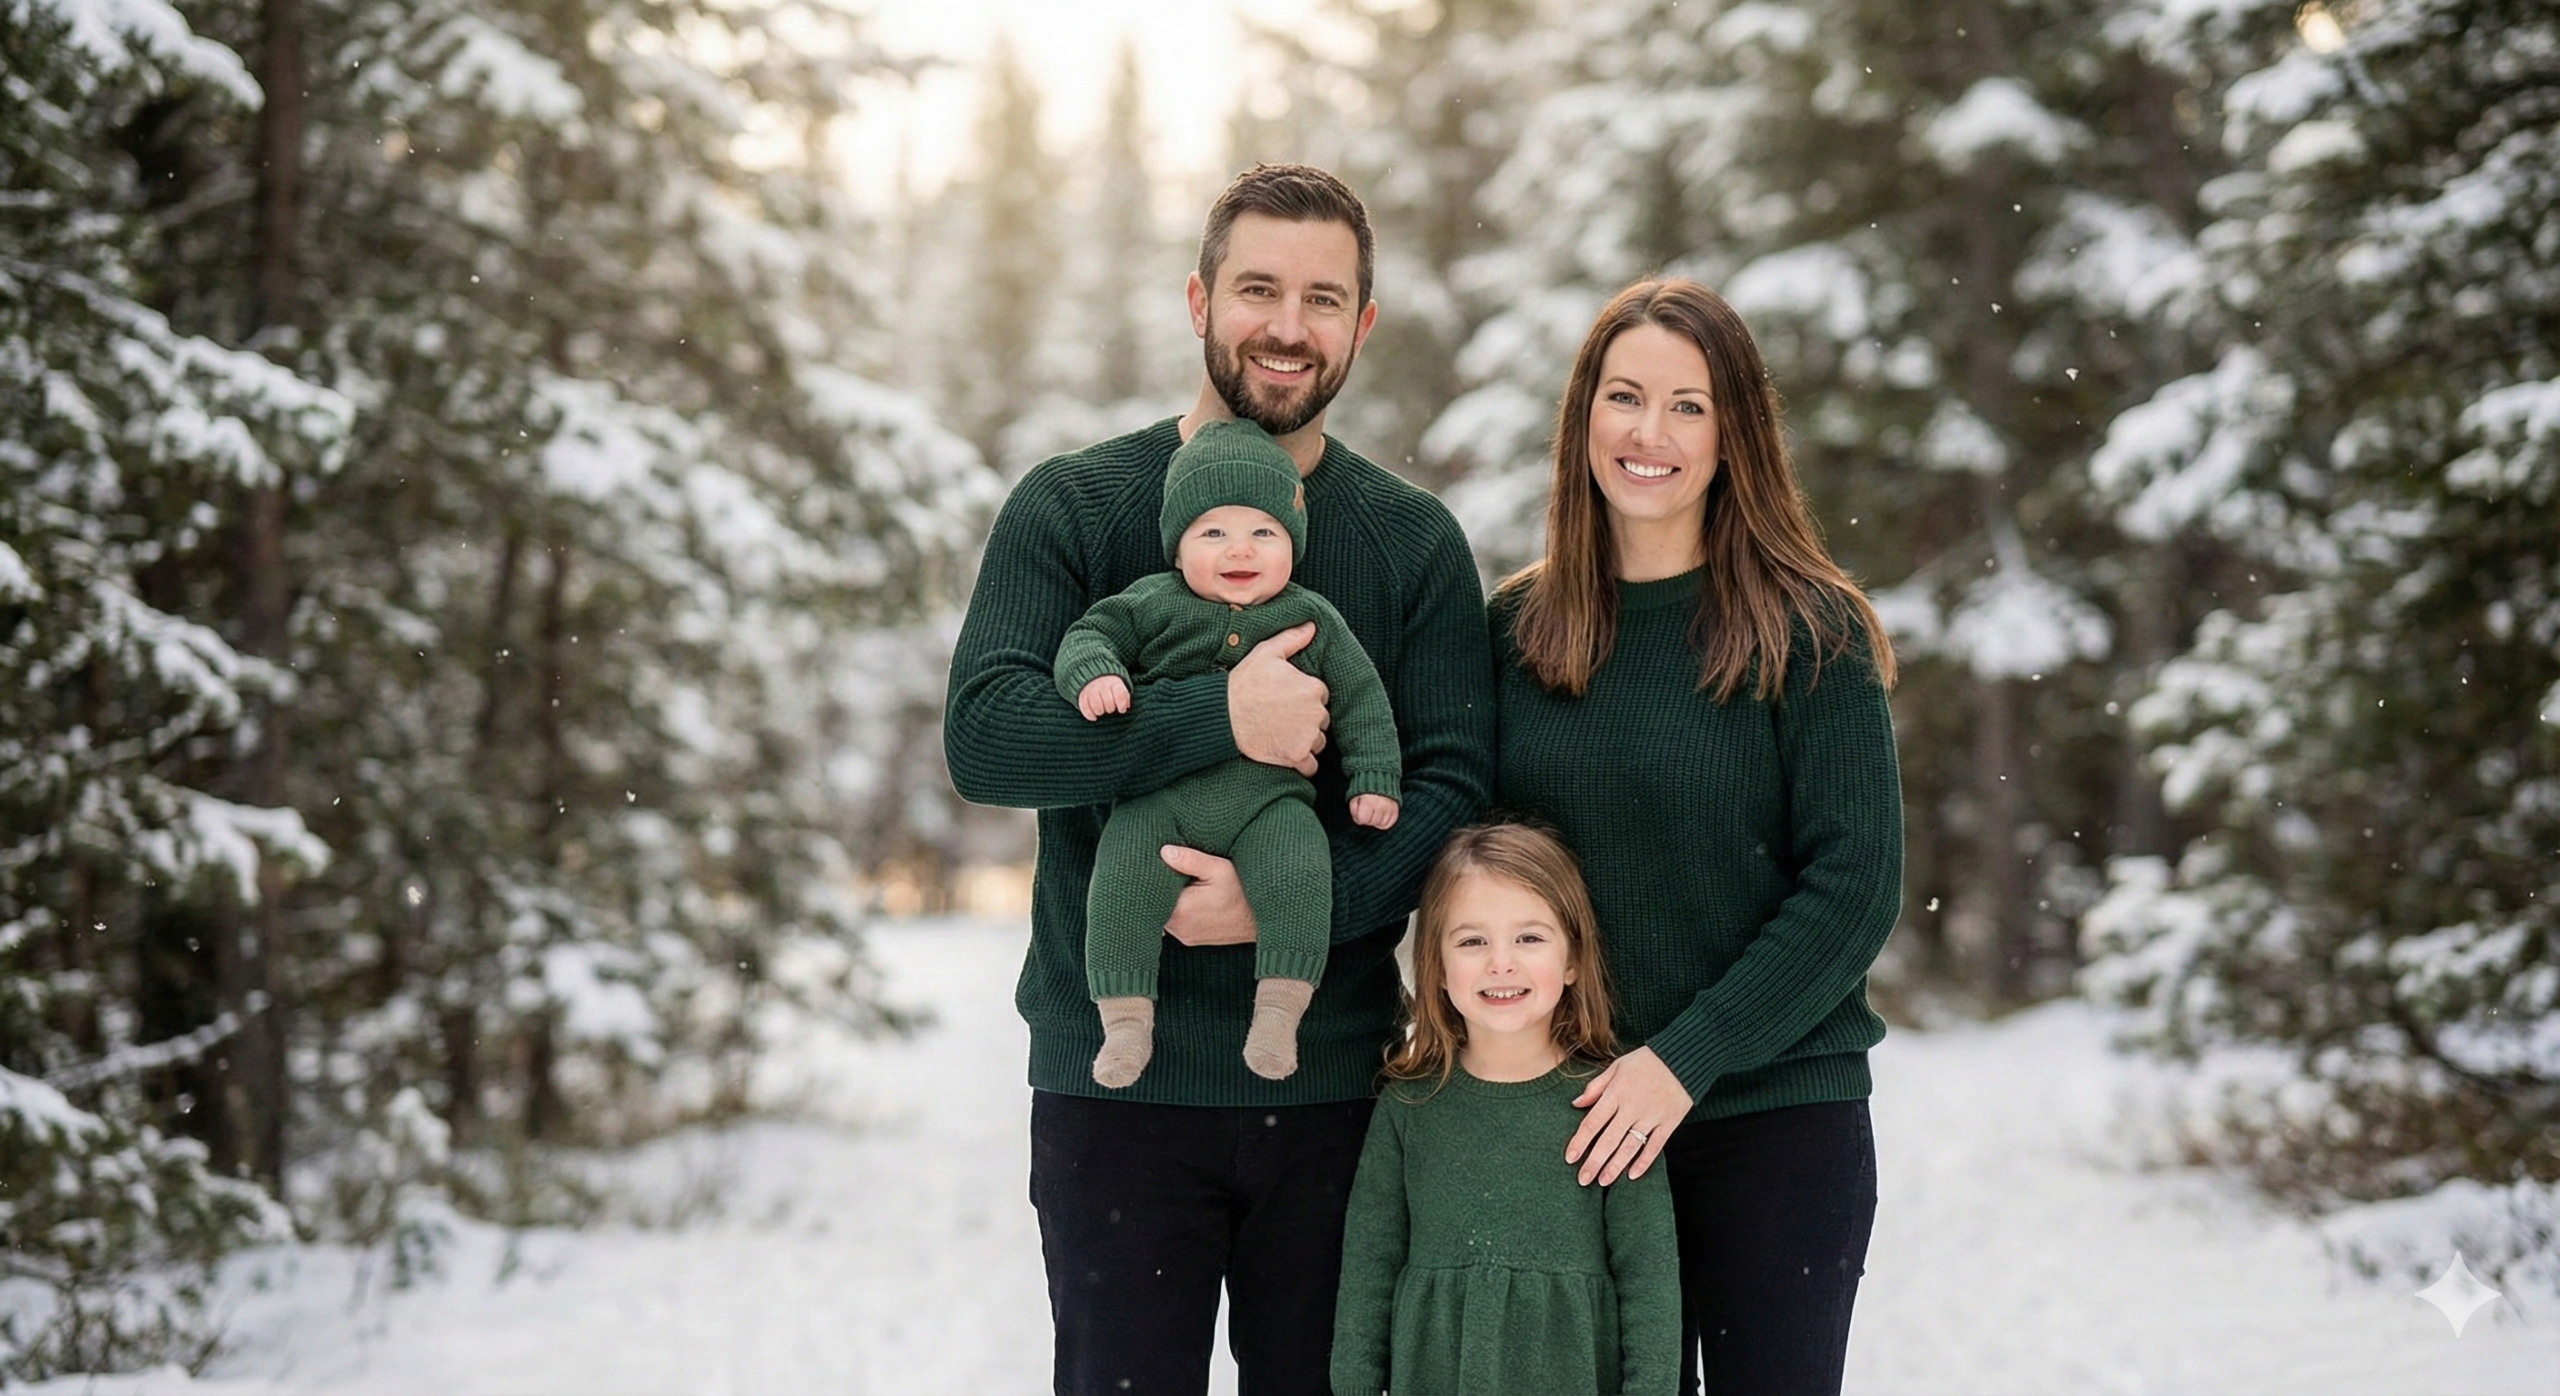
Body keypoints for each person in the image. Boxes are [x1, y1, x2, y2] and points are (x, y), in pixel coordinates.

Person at [944, 163, 1496, 1396]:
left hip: (1337, 1093)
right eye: (1257, 288)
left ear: (1362, 324)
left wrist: (1305, 901)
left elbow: (1457, 786)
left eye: (1320, 297)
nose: (1285, 326)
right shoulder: (1075, 507)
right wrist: (1216, 714)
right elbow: (987, 736)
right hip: (1114, 1095)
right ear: (1197, 299)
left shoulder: (1410, 543)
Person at [1489, 278, 1903, 1395]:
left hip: (1775, 1120)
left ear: (1734, 437)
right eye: (1624, 397)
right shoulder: (1516, 633)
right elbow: (1466, 867)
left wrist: (1686, 1056)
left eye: (1688, 405)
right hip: (1576, 1123)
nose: (1649, 433)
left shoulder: (1810, 630)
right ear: (1582, 418)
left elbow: (1853, 886)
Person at [1057, 418, 1402, 1089]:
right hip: (1161, 801)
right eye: (1213, 531)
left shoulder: (1311, 617)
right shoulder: (1152, 603)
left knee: (1302, 875)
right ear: (1178, 546)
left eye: (1263, 532)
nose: (1239, 549)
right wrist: (1095, 673)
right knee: (1120, 885)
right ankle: (1125, 1023)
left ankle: (1279, 1012)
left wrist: (1374, 774)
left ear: (1292, 546)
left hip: (1269, 804)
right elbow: (1087, 634)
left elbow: (1362, 697)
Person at [1331, 822, 1680, 1396]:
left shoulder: (1613, 1103)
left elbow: (1649, 1284)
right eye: (1472, 941)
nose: (1501, 963)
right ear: (1437, 968)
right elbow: (1368, 1272)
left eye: (1530, 938)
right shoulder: (1409, 1104)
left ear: (1572, 959)